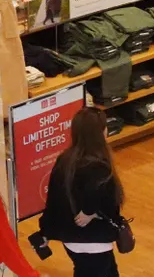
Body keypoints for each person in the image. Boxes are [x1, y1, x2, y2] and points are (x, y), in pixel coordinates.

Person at [37, 107, 125, 277]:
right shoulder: (99, 166)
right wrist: (90, 211)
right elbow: (106, 200)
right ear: (100, 133)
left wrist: (45, 230)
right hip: (94, 241)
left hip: (70, 239)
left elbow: (53, 199)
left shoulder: (65, 159)